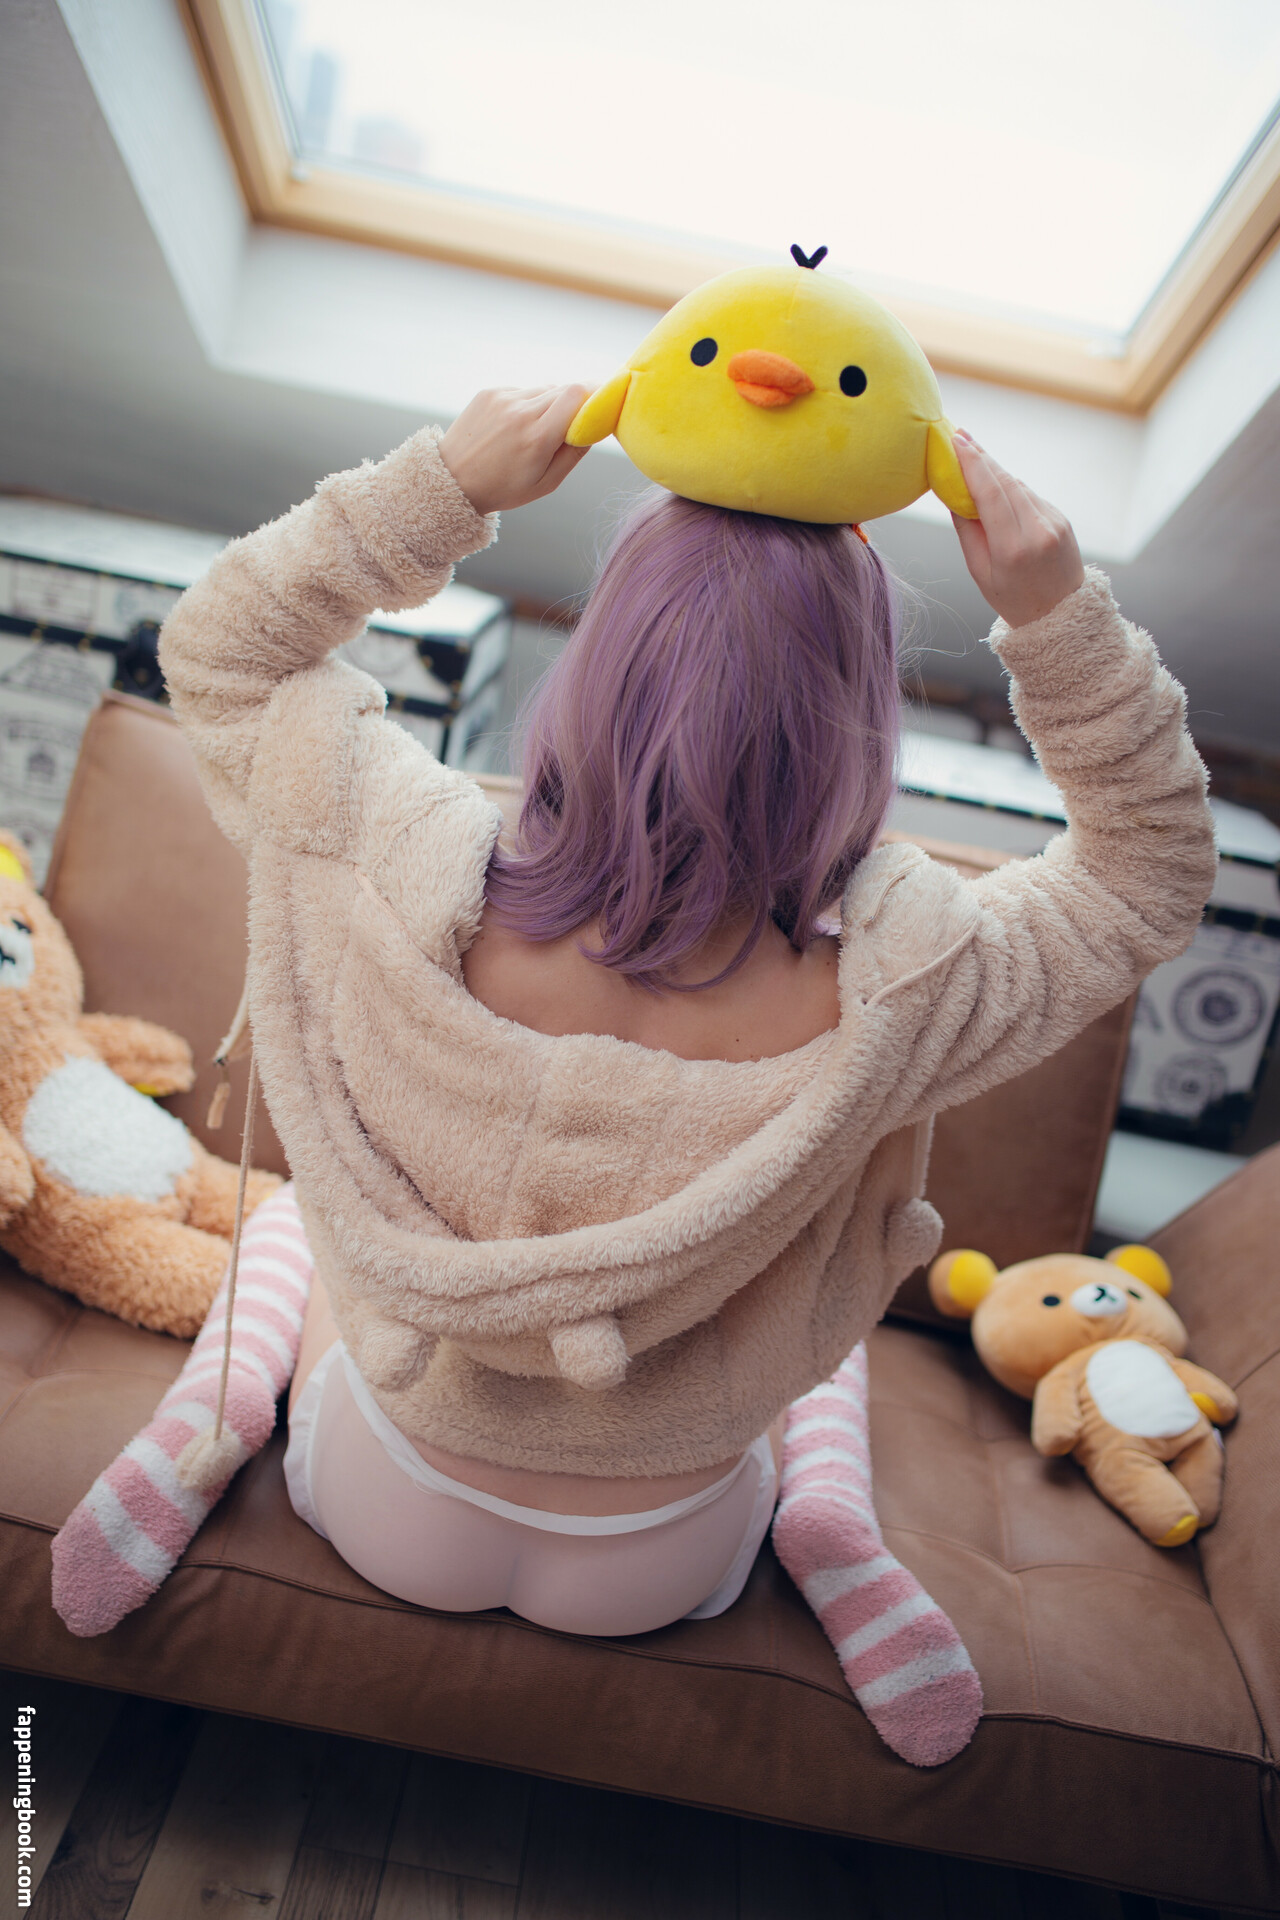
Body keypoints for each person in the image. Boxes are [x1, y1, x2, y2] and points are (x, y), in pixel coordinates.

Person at [157, 385, 1215, 1638]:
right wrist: (1054, 610)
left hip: (392, 1495)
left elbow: (221, 650)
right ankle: (827, 1518)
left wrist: (446, 480)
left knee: (298, 1232)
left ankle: (198, 1431)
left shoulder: (394, 857)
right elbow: (1146, 871)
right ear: (853, 716)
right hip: (657, 1553)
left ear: (599, 658)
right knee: (807, 1332)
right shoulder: (903, 986)